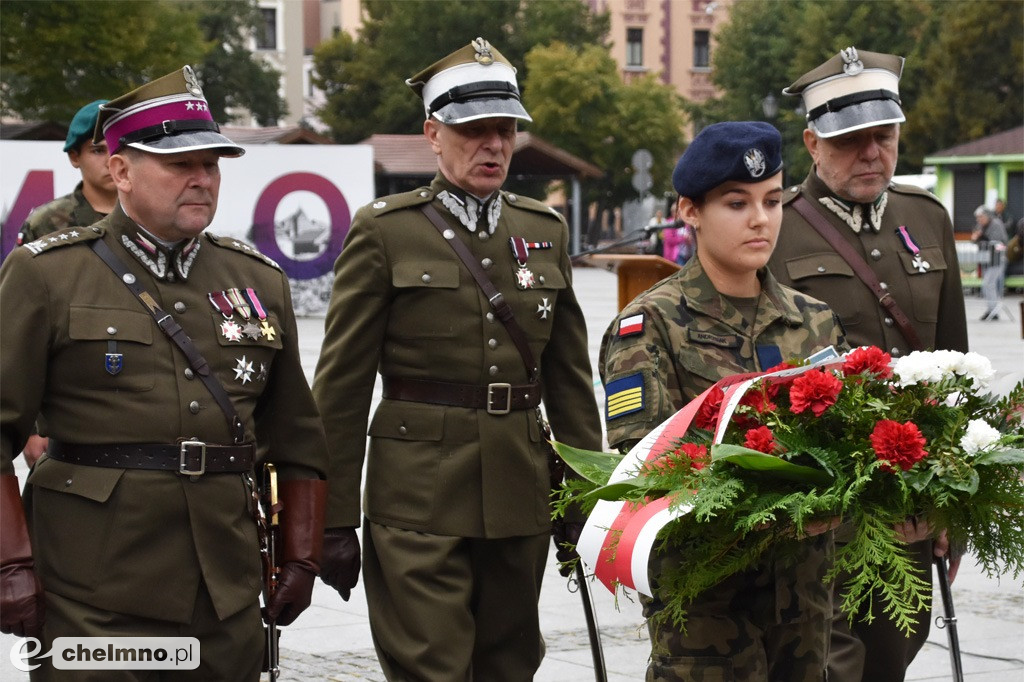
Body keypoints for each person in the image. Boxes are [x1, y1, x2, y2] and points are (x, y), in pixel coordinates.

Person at [0, 66, 328, 680]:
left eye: (211, 165)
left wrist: (302, 556)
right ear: (121, 171)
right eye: (180, 165)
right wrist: (11, 564)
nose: (202, 179)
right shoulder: (46, 273)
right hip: (93, 589)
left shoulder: (257, 280)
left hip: (225, 585)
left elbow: (297, 436)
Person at [312, 37, 603, 680]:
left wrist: (587, 498)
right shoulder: (386, 231)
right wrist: (329, 519)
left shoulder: (544, 230)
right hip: (415, 494)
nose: (493, 145)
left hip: (519, 487)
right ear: (433, 135)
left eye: (505, 130)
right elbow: (341, 385)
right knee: (430, 667)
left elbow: (570, 382)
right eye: (474, 130)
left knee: (510, 663)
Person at [600, 121, 847, 681]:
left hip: (803, 603)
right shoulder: (648, 326)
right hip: (707, 611)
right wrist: (782, 511)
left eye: (773, 200)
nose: (761, 219)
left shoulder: (815, 321)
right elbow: (646, 468)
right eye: (737, 203)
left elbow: (847, 447)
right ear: (689, 210)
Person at [767, 46, 969, 682]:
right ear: (811, 143)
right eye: (850, 140)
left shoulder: (927, 219)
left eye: (882, 136)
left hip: (909, 496)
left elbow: (956, 372)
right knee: (824, 662)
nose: (871, 152)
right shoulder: (775, 229)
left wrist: (955, 507)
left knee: (892, 656)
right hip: (819, 501)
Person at [17, 99, 119, 466]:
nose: (111, 159)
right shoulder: (47, 223)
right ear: (74, 157)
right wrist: (31, 428)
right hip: (65, 405)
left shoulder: (154, 219)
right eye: (98, 150)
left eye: (119, 147)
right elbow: (20, 331)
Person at [972, 205, 1009, 321]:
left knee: (989, 283)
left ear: (987, 216)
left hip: (998, 259)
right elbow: (975, 240)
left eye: (981, 217)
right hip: (986, 260)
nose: (979, 220)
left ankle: (994, 311)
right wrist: (975, 238)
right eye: (978, 218)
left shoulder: (996, 224)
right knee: (987, 285)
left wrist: (981, 237)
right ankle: (991, 309)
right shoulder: (980, 226)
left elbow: (998, 241)